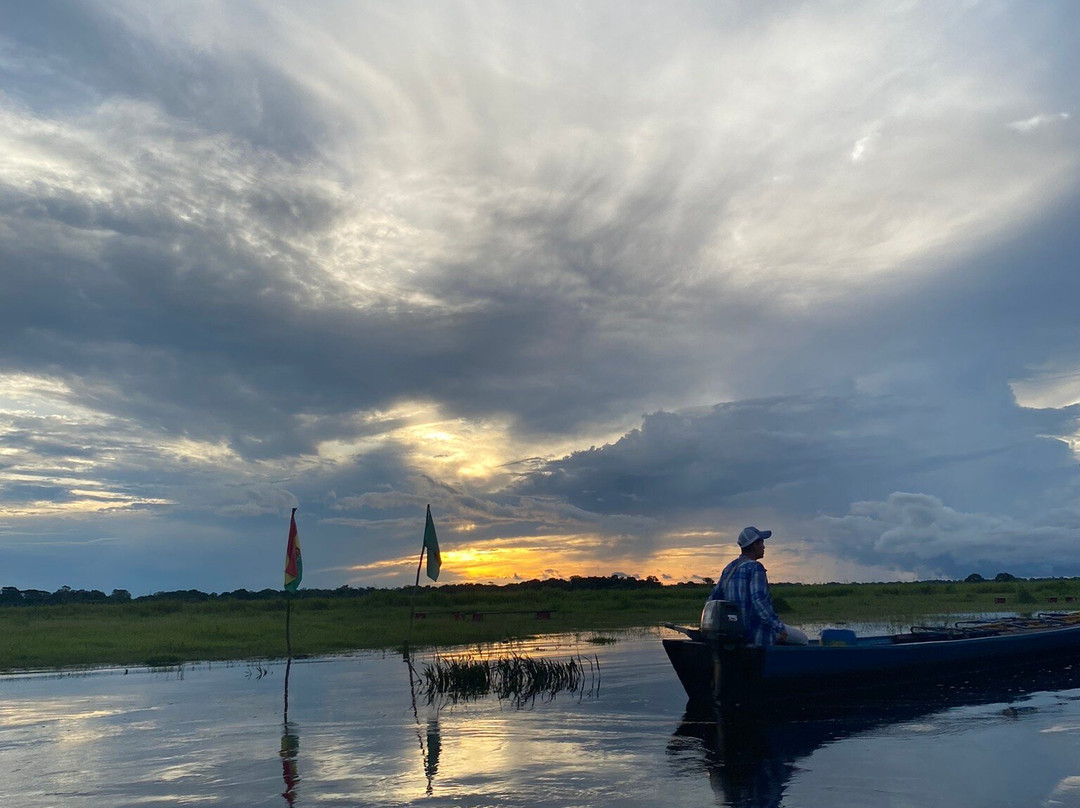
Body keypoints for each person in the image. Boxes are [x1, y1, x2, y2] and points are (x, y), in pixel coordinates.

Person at [710, 526, 807, 646]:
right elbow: (759, 602)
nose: (764, 547)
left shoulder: (729, 568)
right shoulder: (756, 568)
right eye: (762, 543)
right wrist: (779, 627)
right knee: (802, 639)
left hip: (735, 634)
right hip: (756, 635)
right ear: (755, 545)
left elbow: (713, 599)